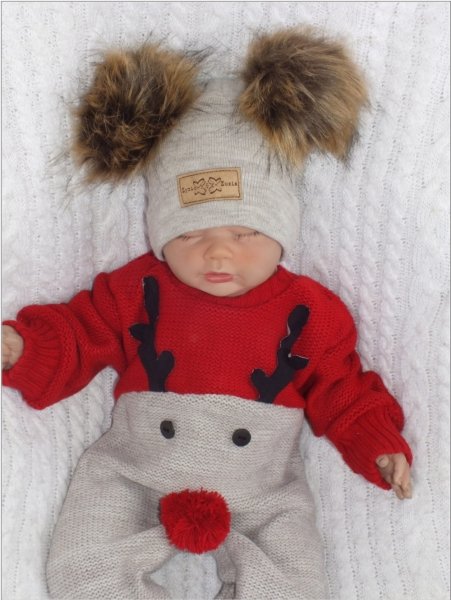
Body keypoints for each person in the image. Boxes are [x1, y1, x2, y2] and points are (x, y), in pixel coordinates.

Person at [2, 28, 412, 599]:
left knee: (293, 581)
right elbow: (81, 331)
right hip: (136, 468)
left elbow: (341, 388)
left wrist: (377, 442)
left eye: (245, 233)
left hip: (262, 488)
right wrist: (25, 348)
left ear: (283, 231)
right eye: (190, 233)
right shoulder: (137, 288)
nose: (218, 254)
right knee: (84, 565)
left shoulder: (311, 311)